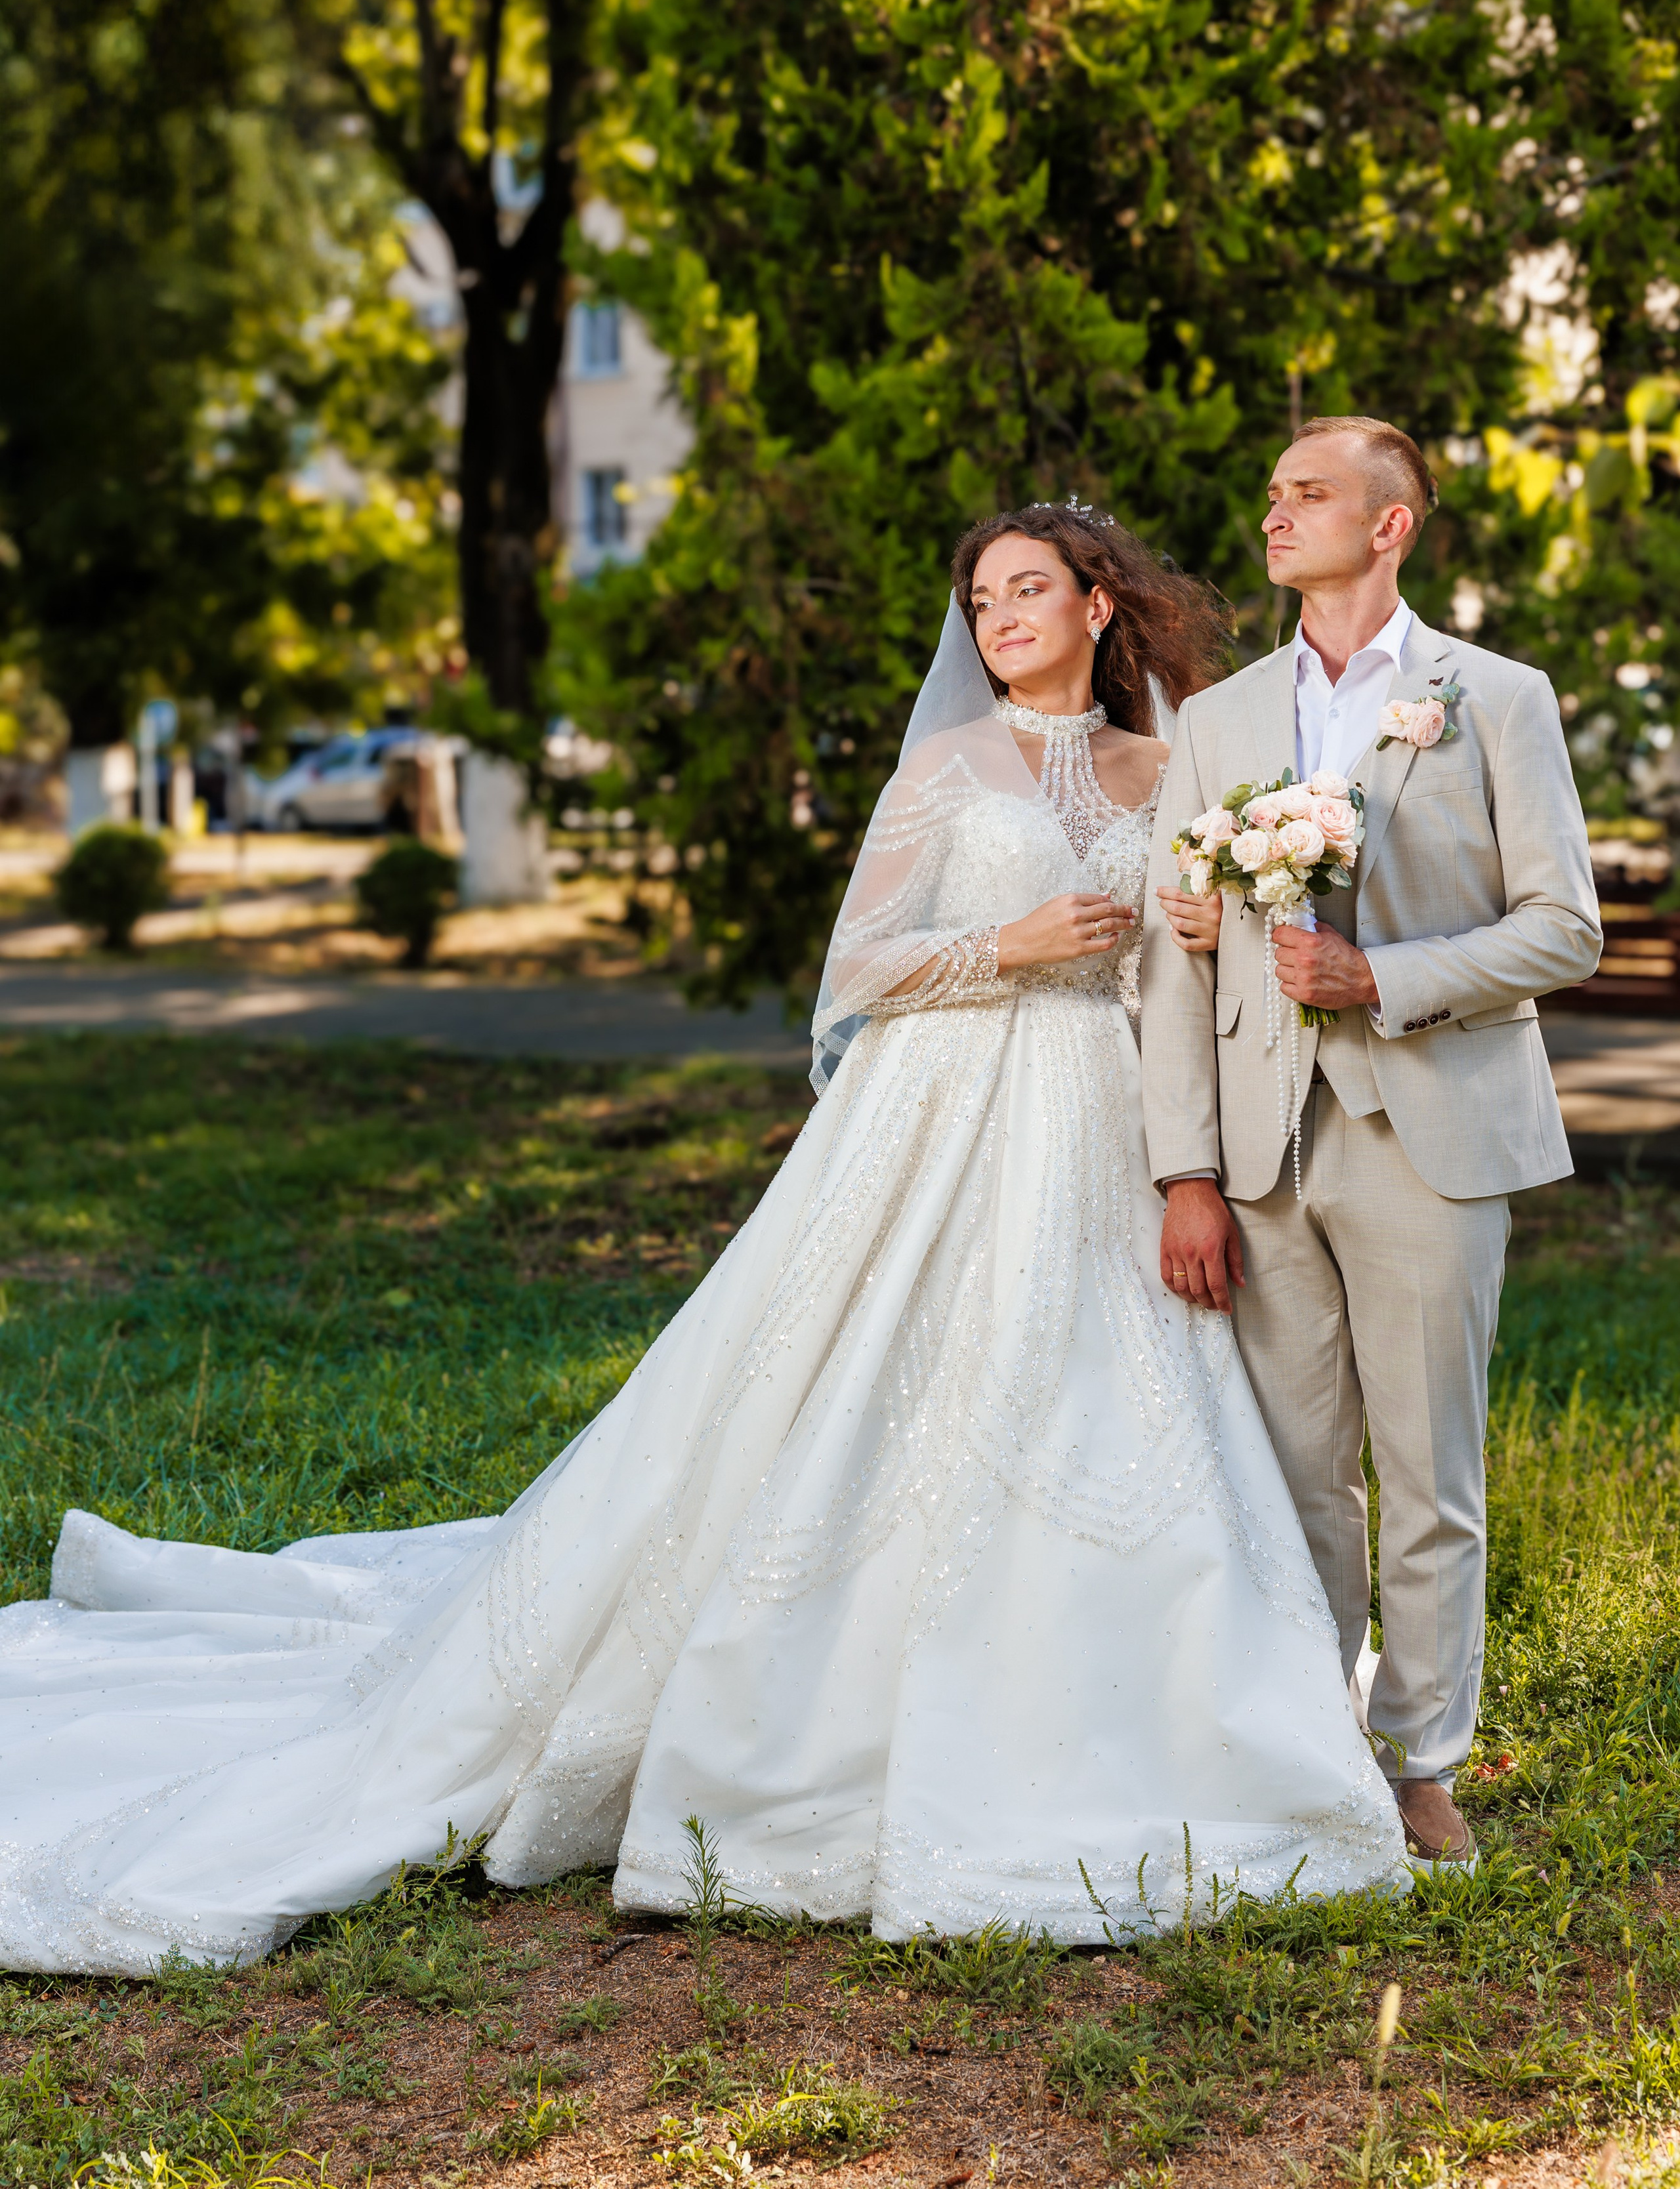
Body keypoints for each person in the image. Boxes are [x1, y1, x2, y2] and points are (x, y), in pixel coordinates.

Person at [0, 502, 1407, 1976]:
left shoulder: (1166, 763)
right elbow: (852, 968)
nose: (997, 618)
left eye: (1025, 591)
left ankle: (1160, 1708)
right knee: (850, 1387)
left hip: (1107, 1124)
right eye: (979, 597)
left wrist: (1189, 938)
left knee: (1109, 1395)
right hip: (933, 1110)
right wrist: (1006, 948)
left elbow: (1203, 959)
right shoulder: (943, 768)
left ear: (1097, 606)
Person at [1143, 417, 1602, 1871]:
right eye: (1269, 490)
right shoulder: (1210, 721)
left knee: (1426, 1473)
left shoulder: (1495, 700)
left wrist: (1382, 979)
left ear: (1386, 525)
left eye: (1306, 494)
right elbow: (1174, 966)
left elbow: (1560, 927)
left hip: (1431, 1130)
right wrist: (1185, 1171)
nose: (1273, 515)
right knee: (1289, 1475)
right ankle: (1307, 1747)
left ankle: (1418, 1766)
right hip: (1261, 1149)